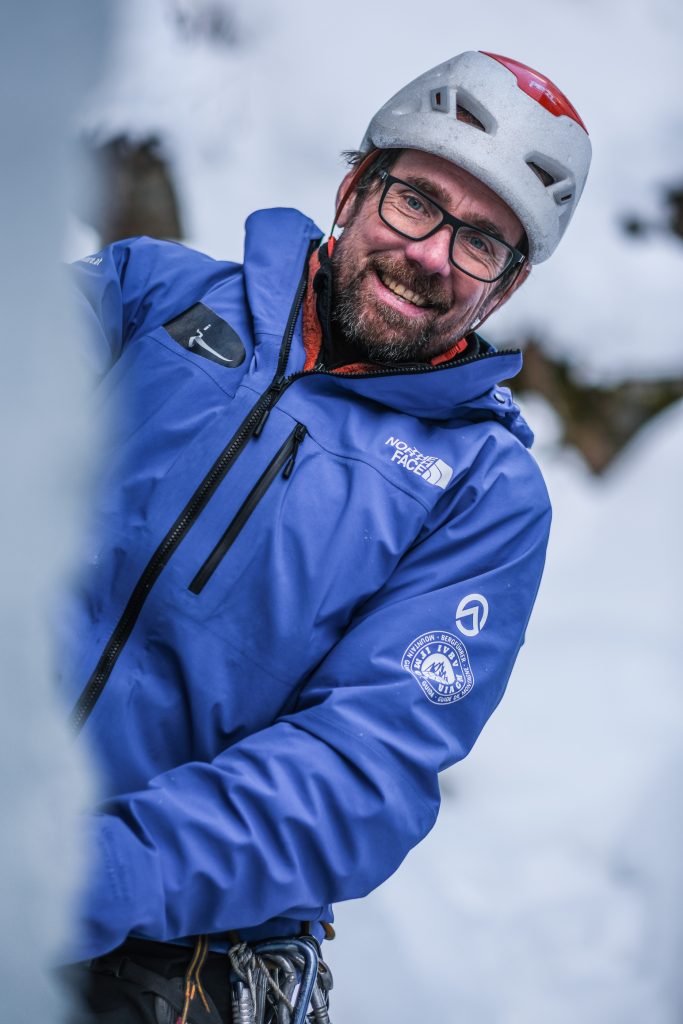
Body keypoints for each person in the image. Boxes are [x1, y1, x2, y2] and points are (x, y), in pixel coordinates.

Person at [61, 50, 591, 1021]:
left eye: (481, 243)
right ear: (354, 188)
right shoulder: (149, 298)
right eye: (415, 202)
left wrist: (75, 876)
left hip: (167, 965)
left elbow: (357, 772)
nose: (433, 254)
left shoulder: (483, 493)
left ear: (503, 289)